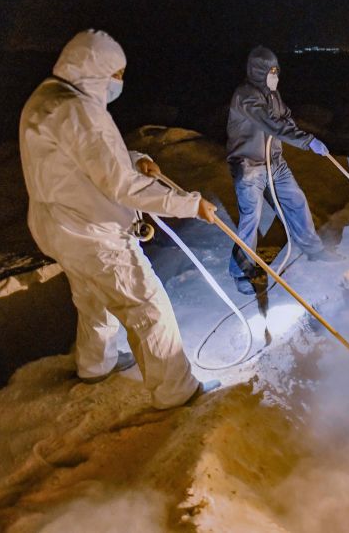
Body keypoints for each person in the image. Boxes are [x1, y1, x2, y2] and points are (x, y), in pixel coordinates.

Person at [18, 29, 220, 408]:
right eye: (117, 73)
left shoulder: (48, 98)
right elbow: (123, 187)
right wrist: (190, 205)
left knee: (93, 299)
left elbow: (83, 158)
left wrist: (133, 157)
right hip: (94, 233)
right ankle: (176, 391)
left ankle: (95, 366)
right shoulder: (81, 111)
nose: (119, 82)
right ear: (95, 68)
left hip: (58, 227)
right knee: (146, 305)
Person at [226, 46, 340, 295]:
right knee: (251, 218)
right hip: (249, 166)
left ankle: (314, 249)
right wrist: (307, 141)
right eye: (271, 72)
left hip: (275, 164)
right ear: (258, 71)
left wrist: (294, 129)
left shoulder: (272, 94)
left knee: (296, 202)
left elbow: (285, 118)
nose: (275, 77)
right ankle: (241, 271)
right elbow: (271, 125)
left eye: (276, 72)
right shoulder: (246, 96)